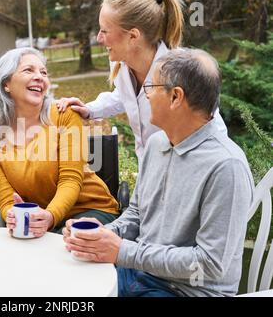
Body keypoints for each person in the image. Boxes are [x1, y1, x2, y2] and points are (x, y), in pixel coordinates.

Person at [63, 49, 254, 297]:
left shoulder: (226, 167)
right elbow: (137, 213)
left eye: (151, 86)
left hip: (185, 292)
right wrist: (101, 235)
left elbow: (210, 263)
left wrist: (123, 251)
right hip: (138, 273)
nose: (146, 93)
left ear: (176, 97)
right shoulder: (157, 144)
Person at [56, 0, 227, 160]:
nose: (99, 38)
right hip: (149, 168)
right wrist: (89, 110)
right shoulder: (120, 64)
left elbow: (210, 128)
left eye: (104, 31)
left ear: (133, 36)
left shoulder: (183, 71)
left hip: (188, 169)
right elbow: (125, 97)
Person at [0, 47, 120, 237]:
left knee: (67, 242)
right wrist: (12, 215)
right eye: (28, 70)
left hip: (89, 211)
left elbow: (70, 179)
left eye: (43, 72)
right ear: (7, 84)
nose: (39, 77)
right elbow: (6, 201)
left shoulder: (64, 116)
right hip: (39, 222)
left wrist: (50, 216)